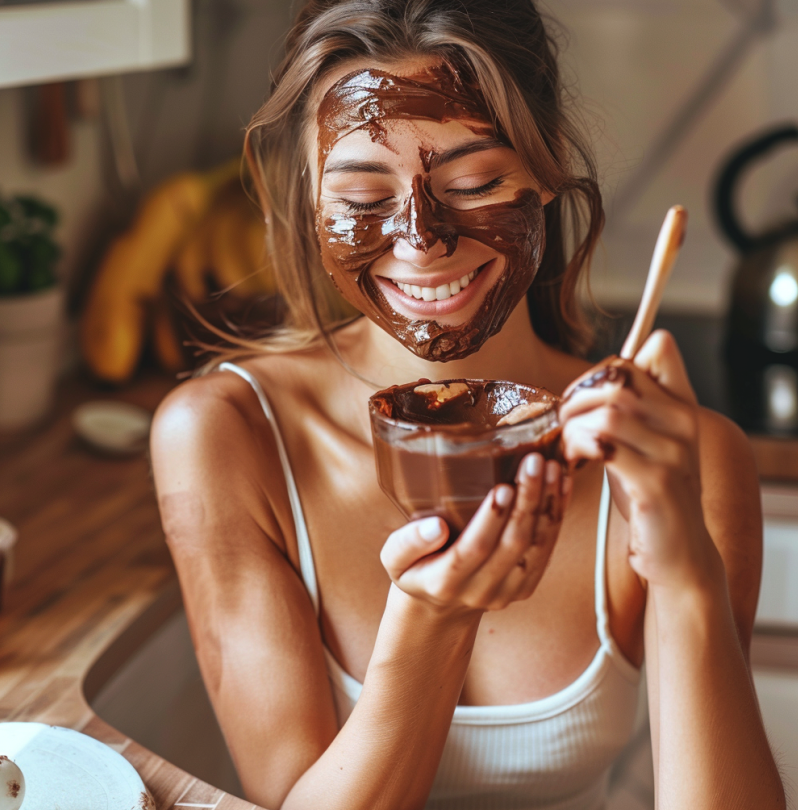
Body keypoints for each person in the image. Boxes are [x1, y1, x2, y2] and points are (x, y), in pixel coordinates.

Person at [150, 1, 786, 808]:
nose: (421, 240)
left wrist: (686, 566)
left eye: (475, 182)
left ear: (547, 171)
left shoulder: (679, 456)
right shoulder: (225, 435)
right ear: (311, 202)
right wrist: (432, 621)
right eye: (363, 194)